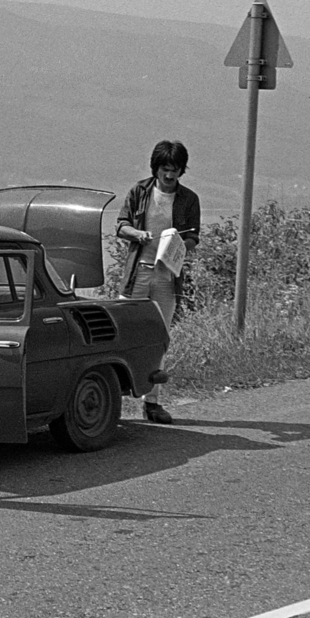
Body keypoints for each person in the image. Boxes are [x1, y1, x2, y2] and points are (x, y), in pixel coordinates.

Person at [116, 140, 201, 424]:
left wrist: (178, 245)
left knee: (160, 337)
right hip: (138, 272)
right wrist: (138, 235)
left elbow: (193, 238)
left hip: (167, 276)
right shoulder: (139, 192)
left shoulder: (189, 199)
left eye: (175, 171)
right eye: (165, 170)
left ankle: (152, 402)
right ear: (156, 168)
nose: (169, 176)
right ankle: (114, 398)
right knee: (125, 333)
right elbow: (122, 225)